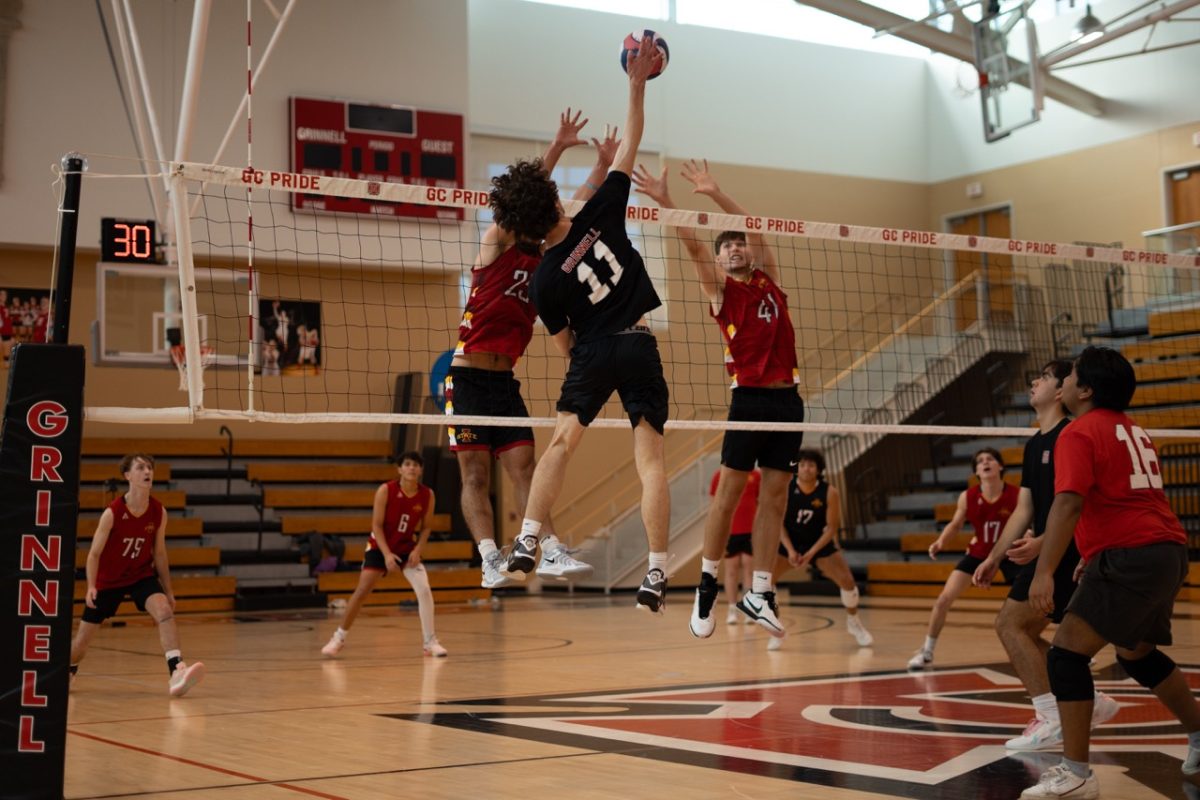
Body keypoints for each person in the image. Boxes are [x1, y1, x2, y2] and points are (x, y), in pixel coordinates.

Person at [493, 43, 671, 612]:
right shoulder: (602, 209)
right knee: (649, 461)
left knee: (564, 441)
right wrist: (638, 84)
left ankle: (528, 535)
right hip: (639, 344)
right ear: (552, 196)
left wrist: (589, 365)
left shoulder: (543, 279)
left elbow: (566, 345)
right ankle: (658, 571)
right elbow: (635, 136)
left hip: (592, 351)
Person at [1020, 346, 1200, 798]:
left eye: (1072, 374)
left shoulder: (1077, 433)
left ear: (1085, 389)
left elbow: (1069, 503)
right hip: (1167, 550)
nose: (1062, 379)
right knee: (1136, 654)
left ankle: (1076, 773)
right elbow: (1120, 496)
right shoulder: (1130, 428)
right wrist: (1092, 550)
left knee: (1065, 656)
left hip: (1133, 555)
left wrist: (1044, 573)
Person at [631, 160, 801, 639]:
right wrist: (667, 201)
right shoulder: (720, 291)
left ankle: (760, 592)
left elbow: (754, 227)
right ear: (721, 260)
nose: (733, 250)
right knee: (727, 498)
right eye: (726, 248)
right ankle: (707, 585)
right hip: (747, 399)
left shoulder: (769, 279)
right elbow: (691, 244)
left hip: (789, 400)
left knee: (774, 497)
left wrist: (717, 193)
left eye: (738, 245)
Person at [450, 109, 612, 589]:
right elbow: (522, 196)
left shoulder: (545, 256)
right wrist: (557, 147)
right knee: (476, 477)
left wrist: (601, 166)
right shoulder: (497, 241)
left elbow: (573, 209)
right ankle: (488, 560)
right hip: (467, 377)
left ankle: (552, 550)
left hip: (504, 381)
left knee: (527, 467)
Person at [972, 361, 1118, 750]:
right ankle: (1088, 698)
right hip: (1049, 548)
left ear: (1060, 392)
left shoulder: (1072, 434)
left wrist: (1041, 544)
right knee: (1027, 632)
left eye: (1043, 378)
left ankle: (1051, 716)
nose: (1033, 382)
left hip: (1067, 549)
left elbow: (1079, 502)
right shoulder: (1035, 442)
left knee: (1010, 626)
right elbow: (1024, 509)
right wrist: (993, 557)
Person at [69, 453, 205, 697]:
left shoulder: (158, 511)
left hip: (141, 574)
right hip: (108, 581)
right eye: (141, 467)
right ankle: (67, 670)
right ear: (128, 475)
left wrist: (169, 590)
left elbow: (160, 553)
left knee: (164, 610)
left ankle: (177, 671)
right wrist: (91, 586)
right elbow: (93, 554)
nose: (147, 471)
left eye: (150, 467)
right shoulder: (112, 513)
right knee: (80, 644)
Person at [322, 451, 447, 658]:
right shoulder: (385, 490)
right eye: (407, 464)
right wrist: (387, 554)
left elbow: (426, 528)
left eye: (416, 465)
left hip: (407, 548)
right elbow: (376, 526)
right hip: (380, 547)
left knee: (424, 590)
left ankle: (429, 642)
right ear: (399, 469)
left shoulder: (427, 495)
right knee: (362, 590)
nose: (411, 468)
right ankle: (338, 638)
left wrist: (418, 550)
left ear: (421, 470)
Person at [907, 447, 1019, 670]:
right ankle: (927, 651)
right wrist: (940, 542)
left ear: (1000, 466)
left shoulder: (1017, 494)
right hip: (977, 554)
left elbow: (1027, 523)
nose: (985, 462)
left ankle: (1065, 648)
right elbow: (956, 524)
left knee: (1034, 599)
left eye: (990, 459)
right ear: (976, 471)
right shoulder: (967, 496)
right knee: (943, 600)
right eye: (980, 461)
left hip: (1008, 553)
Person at [769, 449, 872, 651]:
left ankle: (854, 622)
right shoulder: (786, 489)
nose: (806, 468)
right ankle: (776, 629)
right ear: (796, 468)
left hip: (819, 542)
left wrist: (811, 553)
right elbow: (778, 523)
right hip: (790, 541)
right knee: (766, 581)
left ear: (818, 469)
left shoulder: (829, 492)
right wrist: (790, 550)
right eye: (802, 464)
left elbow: (832, 528)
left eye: (811, 465)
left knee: (848, 581)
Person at [710, 467, 759, 625]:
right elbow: (715, 504)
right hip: (730, 531)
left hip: (750, 530)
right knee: (731, 570)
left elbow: (761, 501)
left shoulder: (755, 475)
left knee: (748, 569)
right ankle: (732, 609)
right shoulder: (720, 475)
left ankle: (748, 608)